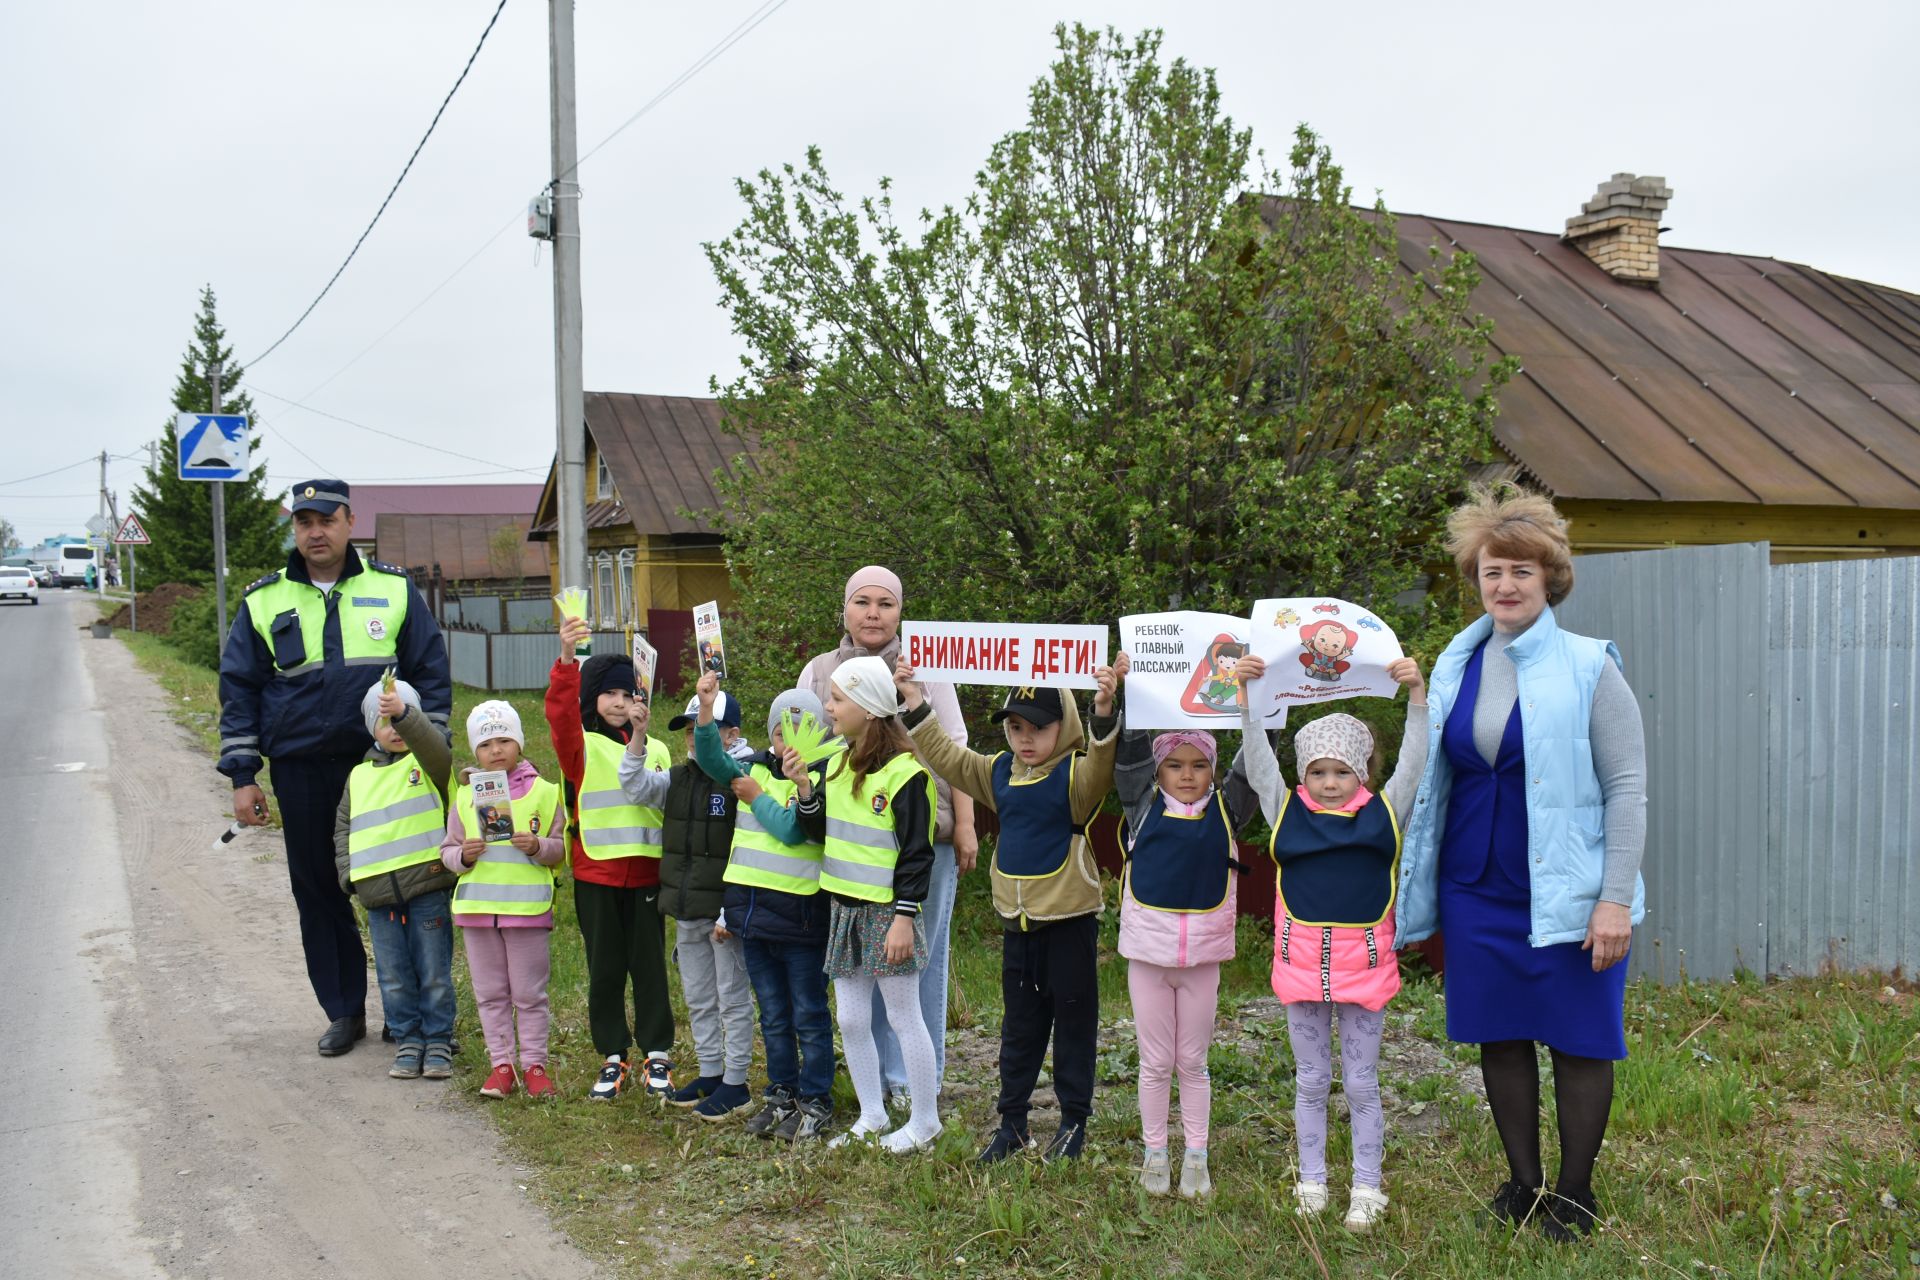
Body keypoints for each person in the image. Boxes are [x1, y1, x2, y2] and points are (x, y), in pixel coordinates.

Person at [1396, 486, 1647, 1241]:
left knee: (1578, 1039)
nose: (1503, 585)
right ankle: (1523, 1185)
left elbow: (1628, 787)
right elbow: (1432, 775)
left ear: (1550, 580)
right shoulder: (1456, 663)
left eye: (1520, 573)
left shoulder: (1588, 666)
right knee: (1499, 1036)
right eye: (1491, 571)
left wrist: (1613, 898)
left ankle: (1574, 1196)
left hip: (1568, 894)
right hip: (1477, 889)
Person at [218, 480, 451, 1056]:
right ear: (293, 529)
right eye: (303, 521)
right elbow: (240, 690)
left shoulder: (393, 590)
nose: (314, 532)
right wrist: (244, 775)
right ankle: (344, 1011)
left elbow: (431, 673)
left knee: (401, 885)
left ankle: (410, 1014)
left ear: (350, 522)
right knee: (319, 891)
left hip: (382, 768)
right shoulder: (262, 600)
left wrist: (432, 747)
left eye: (325, 519)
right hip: (301, 771)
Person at [1234, 653, 1428, 1229]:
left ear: (1361, 772)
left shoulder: (1386, 812)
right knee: (1312, 1081)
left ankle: (1367, 1187)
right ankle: (1313, 1180)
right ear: (1304, 776)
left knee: (1363, 1084)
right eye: (1318, 771)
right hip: (1301, 975)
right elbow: (1260, 765)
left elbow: (1415, 765)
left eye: (1341, 771)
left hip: (1364, 975)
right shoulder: (1284, 809)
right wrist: (1246, 702)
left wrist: (1417, 698)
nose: (1329, 782)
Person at [898, 660, 1120, 1164]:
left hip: (1069, 925)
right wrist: (914, 700)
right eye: (1016, 727)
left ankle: (1072, 1124)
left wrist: (1104, 708)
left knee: (1074, 1026)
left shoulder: (1074, 778)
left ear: (1064, 727)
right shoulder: (998, 772)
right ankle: (1013, 1124)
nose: (1025, 738)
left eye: (1038, 728)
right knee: (1018, 1029)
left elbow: (1104, 764)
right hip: (1016, 927)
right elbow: (948, 759)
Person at [798, 566, 976, 1107]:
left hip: (929, 838)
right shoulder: (820, 669)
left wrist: (965, 823)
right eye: (862, 602)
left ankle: (913, 1084)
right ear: (845, 610)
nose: (873, 613)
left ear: (901, 612)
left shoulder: (922, 667)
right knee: (860, 965)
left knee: (919, 961)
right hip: (851, 845)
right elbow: (804, 741)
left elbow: (955, 745)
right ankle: (872, 1084)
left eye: (886, 604)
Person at [1110, 653, 1255, 1199]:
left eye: (1199, 765)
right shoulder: (1141, 807)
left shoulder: (1228, 810)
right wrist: (1128, 689)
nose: (1188, 775)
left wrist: (1254, 696)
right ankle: (1154, 1155)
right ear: (1160, 770)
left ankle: (1196, 1157)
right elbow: (1127, 758)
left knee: (1192, 1063)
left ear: (1213, 771)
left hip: (1203, 962)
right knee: (1155, 1063)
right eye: (1176, 765)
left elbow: (1255, 761)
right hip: (1148, 958)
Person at [788, 656, 942, 1153]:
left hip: (888, 915)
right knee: (851, 1020)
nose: (828, 709)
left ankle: (925, 1122)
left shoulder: (907, 774)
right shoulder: (834, 763)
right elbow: (820, 833)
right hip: (846, 912)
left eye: (837, 699)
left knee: (903, 1017)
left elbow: (918, 855)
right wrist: (805, 790)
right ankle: (872, 1115)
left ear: (869, 708)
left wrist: (904, 917)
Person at [691, 679, 842, 1142]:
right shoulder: (750, 767)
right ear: (771, 734)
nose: (789, 740)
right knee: (772, 1015)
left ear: (820, 734)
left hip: (802, 920)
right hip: (754, 919)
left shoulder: (822, 779)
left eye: (803, 728)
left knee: (809, 1016)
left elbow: (796, 832)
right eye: (782, 730)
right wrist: (705, 710)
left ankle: (816, 1099)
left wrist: (757, 796)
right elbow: (713, 759)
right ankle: (782, 1094)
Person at [545, 616, 677, 1101]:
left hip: (647, 878)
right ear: (592, 698)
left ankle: (657, 1053)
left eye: (628, 694)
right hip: (596, 874)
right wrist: (565, 661)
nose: (620, 703)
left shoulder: (658, 748)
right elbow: (559, 715)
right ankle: (613, 1054)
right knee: (604, 967)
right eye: (609, 694)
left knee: (649, 967)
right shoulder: (579, 746)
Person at [630, 683, 760, 1122]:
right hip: (684, 906)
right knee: (700, 996)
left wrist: (732, 907)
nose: (692, 737)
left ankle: (736, 1083)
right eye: (687, 730)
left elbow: (748, 850)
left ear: (731, 734)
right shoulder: (679, 778)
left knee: (731, 997)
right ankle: (710, 1073)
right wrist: (637, 737)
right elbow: (635, 786)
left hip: (724, 912)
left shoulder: (743, 779)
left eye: (702, 726)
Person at [332, 677, 457, 1081]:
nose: (396, 729)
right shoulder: (359, 776)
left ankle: (438, 1038)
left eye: (404, 718)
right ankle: (408, 1038)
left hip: (428, 884)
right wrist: (349, 876)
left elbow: (435, 748)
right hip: (378, 893)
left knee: (433, 968)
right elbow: (343, 828)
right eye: (386, 720)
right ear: (371, 728)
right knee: (392, 974)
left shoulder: (429, 762)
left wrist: (405, 715)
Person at [442, 701, 565, 1102]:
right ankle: (501, 1065)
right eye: (486, 743)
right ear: (475, 751)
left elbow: (563, 848)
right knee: (490, 992)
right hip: (478, 913)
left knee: (530, 994)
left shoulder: (546, 793)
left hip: (527, 913)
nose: (496, 750)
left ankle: (534, 1065)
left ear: (520, 744)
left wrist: (539, 846)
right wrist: (464, 855)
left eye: (505, 740)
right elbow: (447, 851)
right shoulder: (464, 796)